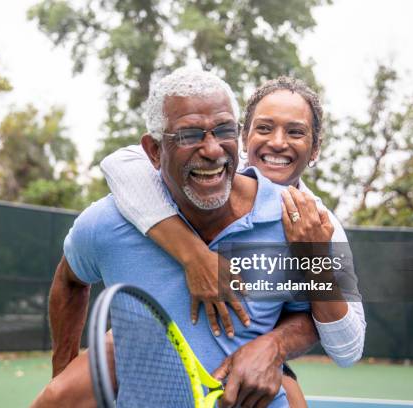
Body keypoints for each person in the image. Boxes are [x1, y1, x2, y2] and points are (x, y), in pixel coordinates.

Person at [32, 68, 321, 408]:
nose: (212, 150)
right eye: (189, 135)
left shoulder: (299, 221)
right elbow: (69, 280)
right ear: (154, 150)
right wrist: (62, 371)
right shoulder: (105, 224)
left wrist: (274, 347)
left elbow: (315, 315)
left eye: (224, 130)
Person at [100, 77, 365, 366]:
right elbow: (120, 163)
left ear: (315, 149)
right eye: (264, 128)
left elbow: (347, 350)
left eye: (295, 132)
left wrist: (314, 260)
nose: (277, 142)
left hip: (252, 365)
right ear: (243, 137)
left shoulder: (324, 227)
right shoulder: (206, 172)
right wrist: (195, 256)